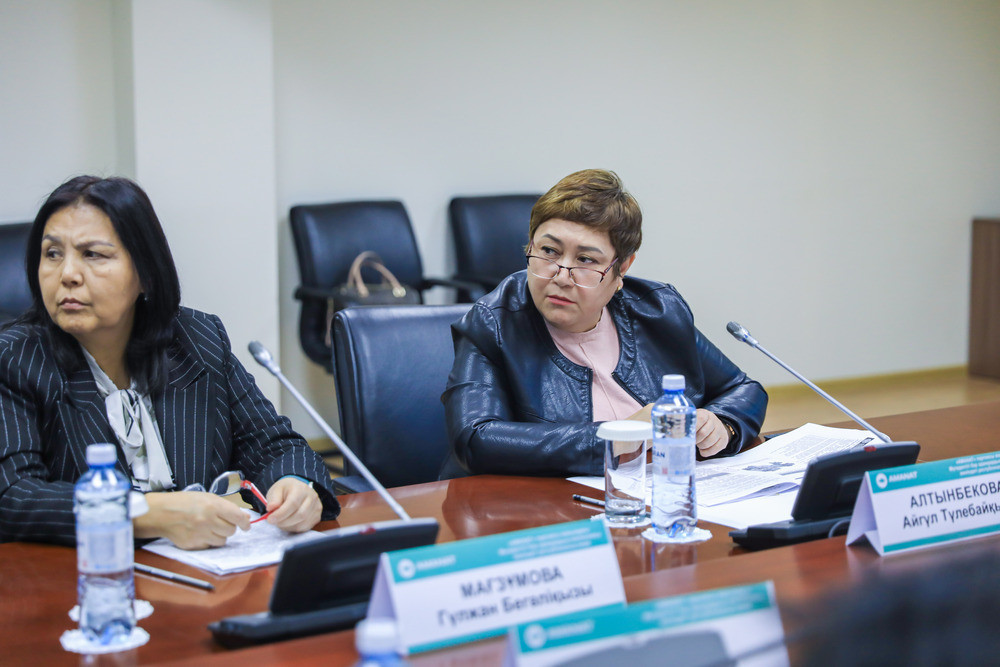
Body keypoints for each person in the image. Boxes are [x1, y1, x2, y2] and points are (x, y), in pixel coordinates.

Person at [0, 176, 339, 549]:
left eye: (93, 254)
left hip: (202, 572)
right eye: (52, 253)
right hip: (83, 574)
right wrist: (146, 513)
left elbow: (275, 445)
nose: (67, 274)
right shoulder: (15, 358)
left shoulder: (197, 339)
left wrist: (297, 486)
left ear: (145, 273)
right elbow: (14, 496)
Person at [440, 169, 767, 478]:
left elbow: (742, 389)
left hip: (658, 493)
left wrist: (723, 425)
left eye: (586, 259)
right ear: (530, 246)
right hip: (540, 508)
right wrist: (618, 436)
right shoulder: (493, 323)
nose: (561, 276)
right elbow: (475, 438)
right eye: (549, 251)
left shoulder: (658, 310)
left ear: (621, 268)